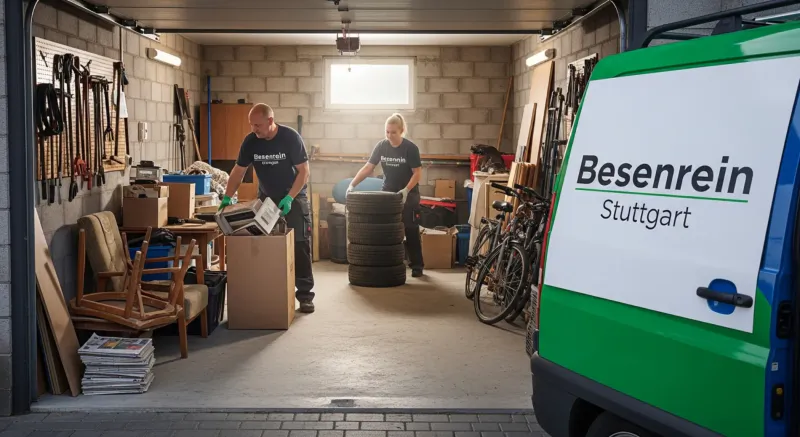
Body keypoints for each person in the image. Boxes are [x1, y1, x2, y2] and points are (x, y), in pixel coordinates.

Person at [219, 103, 316, 313]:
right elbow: (238, 171)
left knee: (299, 245)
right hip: (266, 200)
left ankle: (305, 295)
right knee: (265, 245)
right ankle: (270, 291)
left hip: (294, 197)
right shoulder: (251, 142)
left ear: (270, 121)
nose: (254, 129)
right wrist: (227, 198)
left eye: (258, 125)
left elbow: (304, 172)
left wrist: (290, 198)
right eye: (251, 125)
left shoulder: (290, 138)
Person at [347, 113, 424, 277]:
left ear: (401, 131)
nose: (390, 135)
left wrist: (406, 190)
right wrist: (352, 184)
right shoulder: (382, 146)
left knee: (410, 229)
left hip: (408, 194)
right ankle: (386, 261)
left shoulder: (410, 148)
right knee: (385, 230)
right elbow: (369, 167)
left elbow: (417, 173)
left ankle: (416, 265)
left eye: (393, 132)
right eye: (387, 132)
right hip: (388, 194)